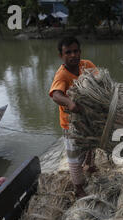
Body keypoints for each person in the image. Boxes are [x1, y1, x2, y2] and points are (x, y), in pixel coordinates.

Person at [49, 36, 97, 199]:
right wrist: (70, 103)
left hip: (88, 118)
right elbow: (56, 95)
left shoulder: (87, 65)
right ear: (61, 56)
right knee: (75, 157)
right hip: (71, 124)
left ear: (80, 52)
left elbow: (99, 81)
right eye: (68, 52)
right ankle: (78, 187)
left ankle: (90, 166)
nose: (73, 55)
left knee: (91, 143)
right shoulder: (62, 75)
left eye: (75, 51)